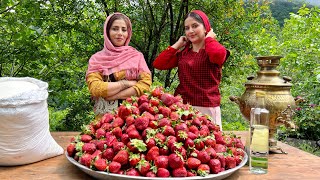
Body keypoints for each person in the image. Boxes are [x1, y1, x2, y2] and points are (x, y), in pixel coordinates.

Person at [153, 10, 229, 130]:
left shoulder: (212, 50)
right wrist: (178, 44)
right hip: (183, 108)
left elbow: (219, 55)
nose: (190, 31)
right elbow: (159, 64)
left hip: (207, 108)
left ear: (206, 28)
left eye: (195, 26)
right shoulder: (184, 54)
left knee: (209, 145)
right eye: (187, 28)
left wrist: (209, 39)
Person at [86, 12, 152, 117]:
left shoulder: (136, 57)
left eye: (124, 30)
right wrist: (126, 84)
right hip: (104, 121)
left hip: (133, 120)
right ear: (107, 32)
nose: (120, 33)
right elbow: (95, 88)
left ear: (128, 33)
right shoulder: (96, 59)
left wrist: (114, 96)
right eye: (115, 29)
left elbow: (145, 85)